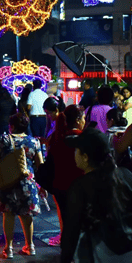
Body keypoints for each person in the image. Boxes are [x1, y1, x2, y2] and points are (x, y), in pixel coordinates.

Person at [60, 127, 132, 263]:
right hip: (130, 249)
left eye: (76, 151)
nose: (74, 154)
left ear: (85, 157)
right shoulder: (125, 175)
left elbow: (72, 228)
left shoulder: (81, 186)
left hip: (96, 253)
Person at [0, 113, 43, 259]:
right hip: (27, 183)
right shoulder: (34, 142)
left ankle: (9, 248)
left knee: (8, 214)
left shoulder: (5, 140)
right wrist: (43, 186)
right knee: (26, 215)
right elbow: (40, 166)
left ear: (11, 126)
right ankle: (30, 246)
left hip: (7, 182)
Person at [47, 105, 86, 247]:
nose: (84, 122)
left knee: (66, 219)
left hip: (61, 186)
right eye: (83, 118)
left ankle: (67, 258)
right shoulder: (84, 139)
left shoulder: (57, 139)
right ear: (77, 120)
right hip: (80, 186)